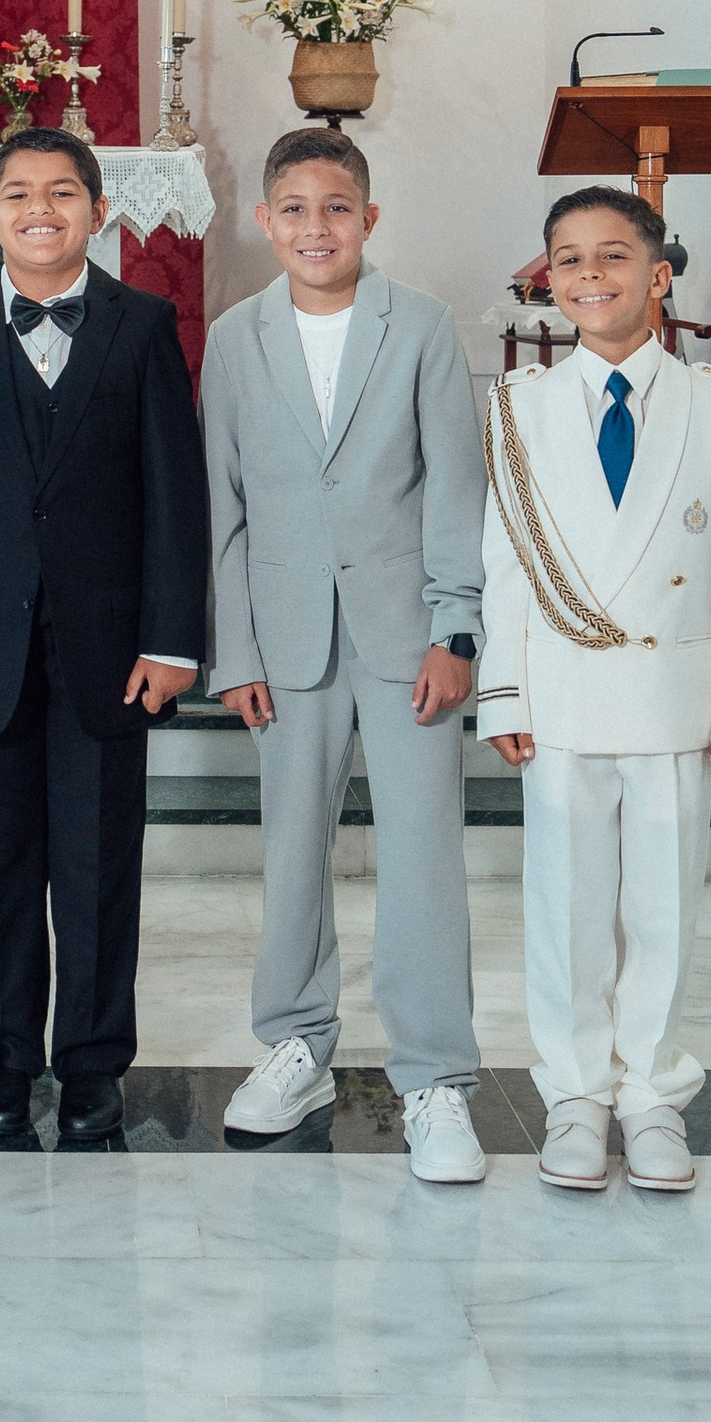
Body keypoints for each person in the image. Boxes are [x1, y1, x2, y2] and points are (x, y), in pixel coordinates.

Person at [0, 127, 208, 1152]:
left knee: (98, 865)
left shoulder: (142, 324)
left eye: (63, 192)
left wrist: (171, 640)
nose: (42, 209)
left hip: (110, 649)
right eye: (19, 194)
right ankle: (2, 1065)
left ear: (98, 211)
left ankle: (92, 1068)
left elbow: (174, 493)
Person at [478, 182, 711, 1195]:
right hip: (561, 691)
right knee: (563, 908)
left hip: (672, 691)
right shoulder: (519, 407)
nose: (589, 275)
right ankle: (574, 1094)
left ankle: (650, 1094)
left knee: (662, 908)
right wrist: (505, 691)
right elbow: (506, 565)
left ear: (658, 275)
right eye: (568, 259)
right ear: (547, 280)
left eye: (613, 255)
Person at [204, 130, 489, 1182]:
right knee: (291, 851)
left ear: (368, 219)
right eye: (293, 208)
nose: (314, 227)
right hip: (285, 640)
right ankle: (295, 1044)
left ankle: (435, 1078)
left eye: (335, 208)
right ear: (264, 221)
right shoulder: (235, 338)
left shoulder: (420, 326)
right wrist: (235, 649)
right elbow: (222, 503)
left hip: (406, 633)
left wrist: (454, 630)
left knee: (422, 854)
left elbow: (454, 485)